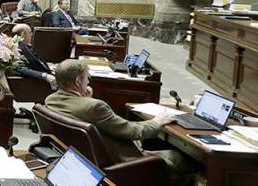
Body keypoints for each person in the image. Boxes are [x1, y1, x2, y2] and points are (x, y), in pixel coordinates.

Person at [45, 59, 173, 163]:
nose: (89, 82)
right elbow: (131, 131)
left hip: (77, 155)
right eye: (87, 78)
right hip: (119, 161)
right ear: (78, 82)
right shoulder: (95, 107)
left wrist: (87, 100)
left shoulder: (50, 100)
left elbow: (78, 109)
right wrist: (157, 122)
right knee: (179, 158)